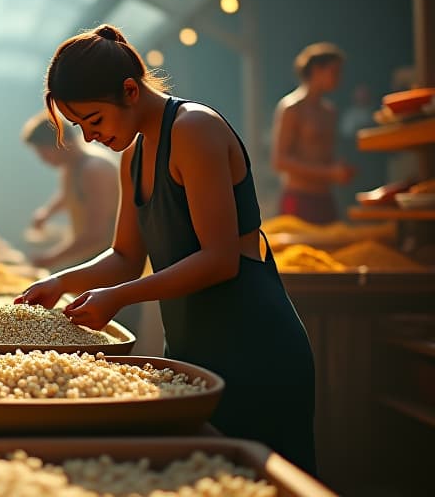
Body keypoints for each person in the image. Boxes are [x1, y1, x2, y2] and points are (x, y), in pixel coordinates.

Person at [17, 24, 316, 474]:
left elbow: (220, 259)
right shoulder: (133, 157)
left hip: (254, 344)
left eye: (94, 120)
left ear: (130, 91)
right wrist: (60, 281)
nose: (91, 137)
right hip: (195, 347)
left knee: (265, 477)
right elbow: (124, 257)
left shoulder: (195, 129)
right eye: (81, 127)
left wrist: (118, 297)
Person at [22, 112, 118, 269]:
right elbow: (71, 195)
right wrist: (47, 213)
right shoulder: (71, 166)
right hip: (90, 256)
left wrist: (50, 258)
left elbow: (96, 234)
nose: (42, 159)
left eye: (43, 152)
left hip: (108, 260)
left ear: (62, 143)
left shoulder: (94, 170)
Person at [272, 42, 354, 224]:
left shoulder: (329, 111)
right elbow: (279, 160)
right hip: (299, 197)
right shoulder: (292, 108)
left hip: (325, 197)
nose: (338, 78)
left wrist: (339, 170)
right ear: (317, 70)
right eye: (334, 71)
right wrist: (328, 173)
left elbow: (325, 155)